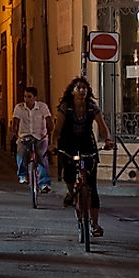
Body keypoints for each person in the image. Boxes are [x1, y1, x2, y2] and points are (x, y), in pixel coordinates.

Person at [55, 76, 113, 237]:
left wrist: (107, 139)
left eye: (84, 88)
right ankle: (72, 193)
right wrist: (54, 144)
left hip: (87, 143)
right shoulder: (65, 107)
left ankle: (95, 224)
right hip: (69, 143)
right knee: (68, 174)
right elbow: (57, 129)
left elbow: (102, 126)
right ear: (72, 92)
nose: (82, 90)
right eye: (78, 88)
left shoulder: (91, 107)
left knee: (92, 187)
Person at [11, 86, 54, 193]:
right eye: (25, 96)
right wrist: (14, 134)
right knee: (21, 152)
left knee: (42, 157)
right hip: (25, 136)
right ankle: (22, 175)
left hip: (40, 136)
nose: (26, 99)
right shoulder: (19, 108)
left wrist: (49, 133)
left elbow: (49, 121)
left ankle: (44, 183)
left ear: (35, 97)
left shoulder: (42, 107)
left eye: (29, 97)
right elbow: (15, 122)